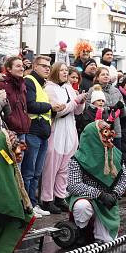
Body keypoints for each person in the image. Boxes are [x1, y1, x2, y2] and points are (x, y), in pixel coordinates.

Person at [66, 121, 126, 244]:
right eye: (104, 132)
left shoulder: (114, 154)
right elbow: (74, 185)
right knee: (82, 207)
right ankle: (82, 231)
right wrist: (99, 194)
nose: (109, 135)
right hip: (87, 198)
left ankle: (99, 229)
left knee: (107, 241)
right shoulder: (78, 158)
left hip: (108, 201)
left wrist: (115, 194)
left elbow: (124, 178)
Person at [40, 61, 86, 215]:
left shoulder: (68, 88)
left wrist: (81, 103)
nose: (65, 73)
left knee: (65, 167)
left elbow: (77, 111)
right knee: (51, 166)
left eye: (66, 70)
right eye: (62, 70)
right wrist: (75, 102)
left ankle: (60, 196)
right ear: (55, 72)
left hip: (70, 129)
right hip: (57, 129)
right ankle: (47, 199)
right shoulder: (49, 88)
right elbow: (58, 111)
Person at [22, 55, 53, 205]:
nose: (47, 68)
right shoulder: (30, 81)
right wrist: (50, 106)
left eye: (49, 66)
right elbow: (31, 105)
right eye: (43, 65)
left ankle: (33, 203)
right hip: (33, 131)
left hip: (42, 132)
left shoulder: (41, 84)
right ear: (35, 67)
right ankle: (28, 204)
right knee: (29, 172)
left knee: (36, 173)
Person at [0, 55, 31, 140]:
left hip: (23, 130)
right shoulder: (2, 85)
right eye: (18, 66)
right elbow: (0, 109)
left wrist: (27, 121)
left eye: (22, 66)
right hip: (10, 132)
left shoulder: (22, 85)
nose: (22, 69)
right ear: (9, 69)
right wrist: (12, 122)